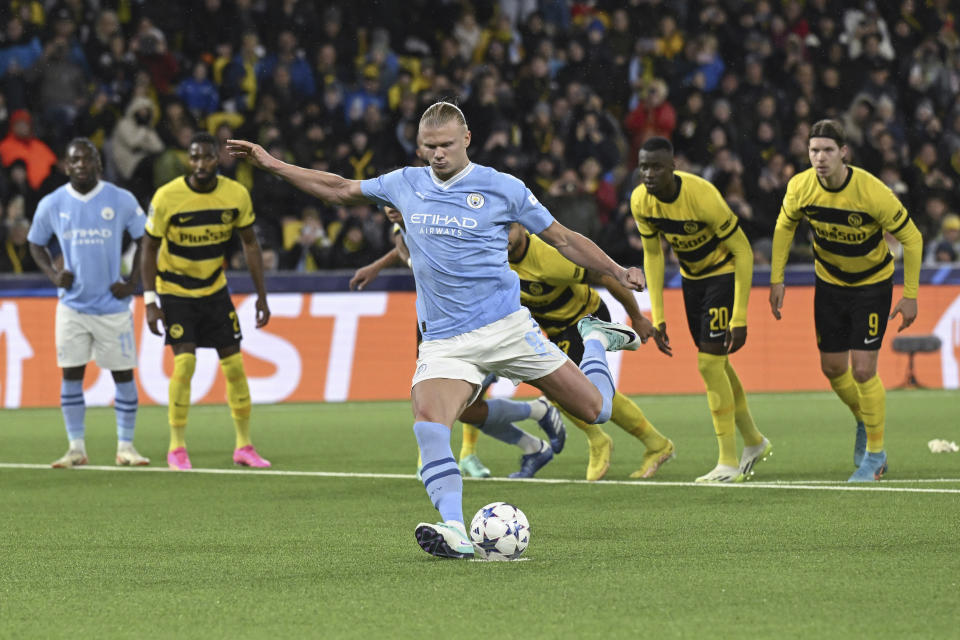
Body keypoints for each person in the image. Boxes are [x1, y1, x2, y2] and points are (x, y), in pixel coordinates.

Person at [227, 101, 649, 559]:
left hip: (507, 328)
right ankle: (454, 529)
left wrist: (615, 267)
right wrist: (271, 163)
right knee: (429, 422)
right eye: (429, 146)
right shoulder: (405, 183)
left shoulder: (502, 188)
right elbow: (338, 188)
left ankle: (594, 337)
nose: (437, 155)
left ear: (466, 139)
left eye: (446, 145)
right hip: (447, 342)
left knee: (597, 411)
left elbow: (563, 239)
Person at [350, 211, 568, 481]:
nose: (392, 212)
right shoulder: (404, 226)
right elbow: (404, 246)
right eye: (387, 208)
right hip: (434, 319)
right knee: (462, 407)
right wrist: (378, 266)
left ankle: (457, 455)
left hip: (474, 318)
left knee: (464, 401)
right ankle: (532, 435)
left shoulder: (438, 215)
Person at [769, 119, 923, 483]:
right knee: (833, 368)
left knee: (864, 370)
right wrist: (777, 277)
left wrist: (911, 295)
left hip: (872, 284)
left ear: (843, 153)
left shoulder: (872, 192)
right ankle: (863, 418)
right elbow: (783, 226)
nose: (819, 158)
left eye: (826, 151)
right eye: (813, 151)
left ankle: (875, 455)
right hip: (830, 284)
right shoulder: (801, 187)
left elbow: (913, 238)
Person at [632, 137, 772, 483]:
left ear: (673, 166)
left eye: (657, 166)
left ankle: (727, 462)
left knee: (709, 364)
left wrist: (740, 316)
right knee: (717, 365)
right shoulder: (640, 202)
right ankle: (754, 441)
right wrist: (658, 316)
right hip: (692, 281)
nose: (649, 174)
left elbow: (742, 251)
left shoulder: (702, 195)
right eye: (643, 166)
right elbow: (654, 255)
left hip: (722, 274)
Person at [142, 131, 272, 471]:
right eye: (194, 157)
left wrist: (261, 296)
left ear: (218, 160)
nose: (200, 164)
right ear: (188, 160)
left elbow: (251, 245)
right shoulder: (168, 197)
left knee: (235, 366)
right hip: (175, 291)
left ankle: (244, 445)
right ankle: (176, 448)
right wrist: (149, 300)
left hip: (214, 289)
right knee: (185, 364)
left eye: (207, 157)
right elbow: (149, 248)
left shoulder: (235, 195)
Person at [505, 222, 676, 481]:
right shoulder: (494, 260)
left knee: (567, 388)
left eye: (507, 229)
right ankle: (654, 443)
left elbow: (605, 276)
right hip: (555, 330)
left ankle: (602, 441)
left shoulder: (548, 256)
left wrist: (637, 317)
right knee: (560, 390)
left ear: (520, 225)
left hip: (584, 318)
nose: (501, 237)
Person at [26, 138, 149, 468]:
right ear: (66, 166)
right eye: (74, 160)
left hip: (112, 306)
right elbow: (35, 243)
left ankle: (126, 447)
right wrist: (53, 275)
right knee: (71, 376)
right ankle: (76, 448)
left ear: (97, 163)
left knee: (123, 376)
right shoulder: (53, 203)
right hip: (73, 307)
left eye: (87, 159)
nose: (81, 164)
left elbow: (146, 238)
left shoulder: (120, 199)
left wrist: (133, 282)